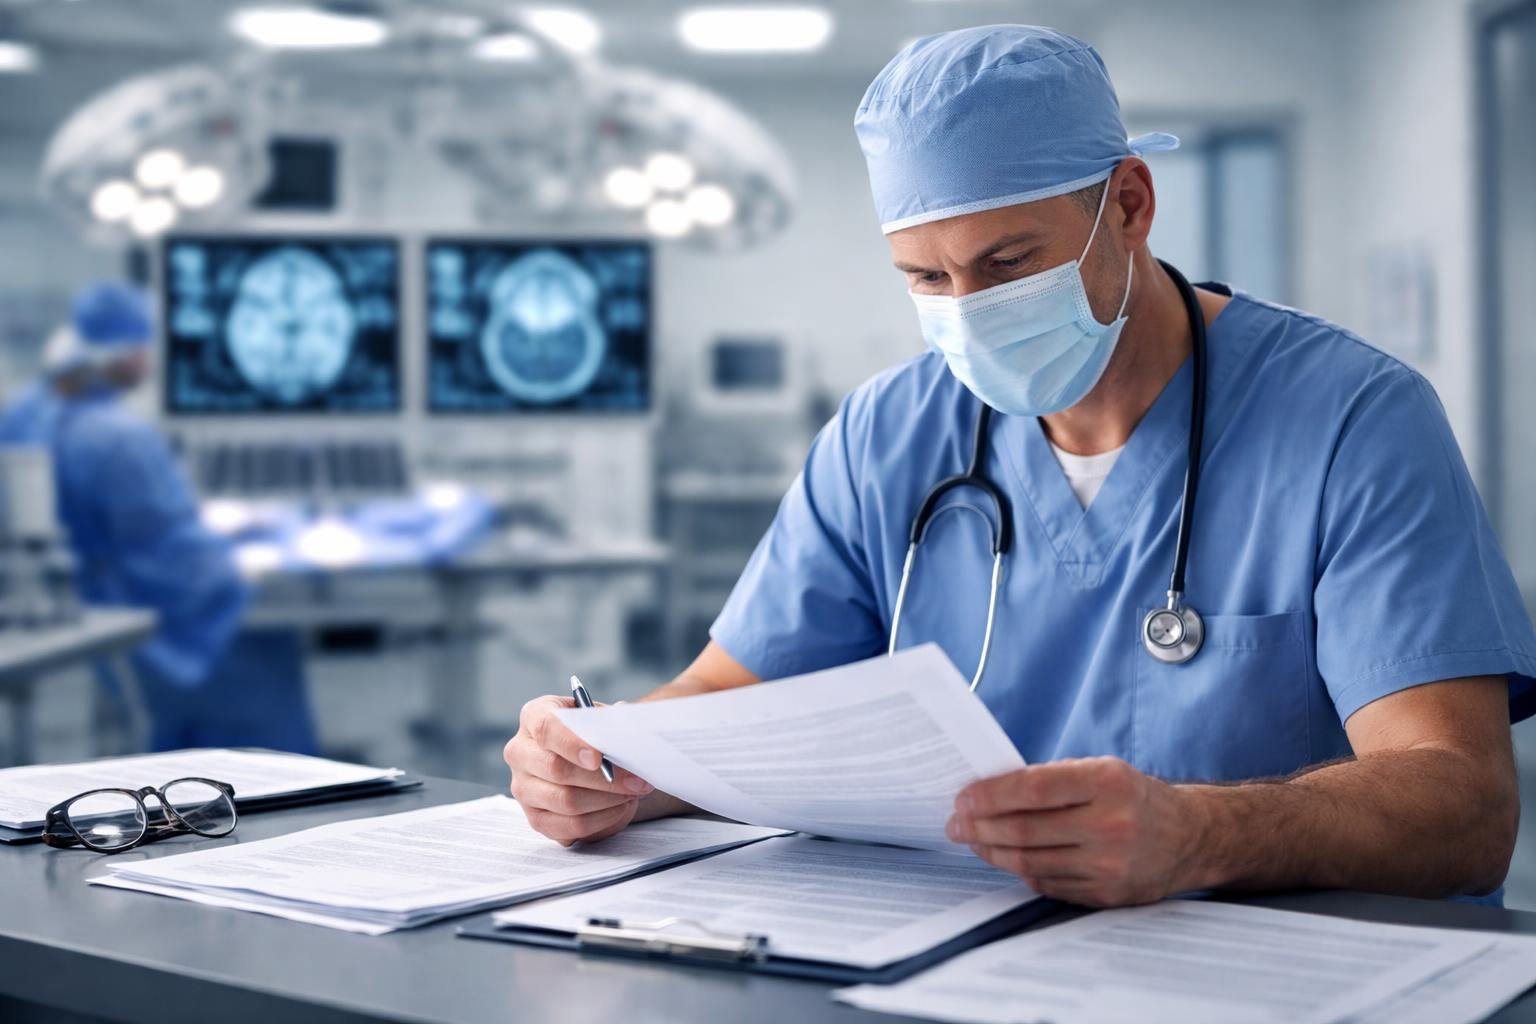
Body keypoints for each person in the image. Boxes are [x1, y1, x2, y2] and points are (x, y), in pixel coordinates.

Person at [505, 26, 1536, 907]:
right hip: (943, 961)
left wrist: (1201, 833)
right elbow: (726, 700)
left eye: (1007, 264)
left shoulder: (1352, 420)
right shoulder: (888, 436)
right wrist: (612, 763)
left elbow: (1462, 802)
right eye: (926, 276)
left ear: (1129, 204)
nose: (968, 309)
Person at [0, 282, 318, 754]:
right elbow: (179, 562)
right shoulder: (121, 439)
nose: (150, 362)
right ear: (126, 354)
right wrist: (246, 559)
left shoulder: (31, 413)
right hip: (158, 637)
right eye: (146, 347)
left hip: (92, 610)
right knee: (275, 644)